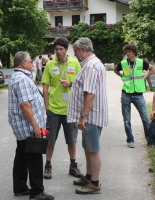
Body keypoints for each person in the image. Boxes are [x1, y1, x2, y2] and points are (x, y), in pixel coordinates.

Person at [8, 51, 54, 200]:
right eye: (30, 61)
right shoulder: (22, 79)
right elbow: (25, 105)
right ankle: (37, 193)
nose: (33, 64)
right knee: (34, 159)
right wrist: (35, 127)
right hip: (27, 127)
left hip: (22, 126)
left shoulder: (19, 77)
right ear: (23, 63)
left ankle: (20, 188)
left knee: (21, 157)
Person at [67, 37, 108, 194]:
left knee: (93, 149)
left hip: (90, 115)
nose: (75, 55)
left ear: (83, 50)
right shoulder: (92, 64)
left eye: (76, 51)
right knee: (87, 147)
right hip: (90, 115)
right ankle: (89, 177)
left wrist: (83, 116)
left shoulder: (91, 66)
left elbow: (90, 94)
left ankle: (95, 184)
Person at [41, 37, 82, 179]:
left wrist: (70, 83)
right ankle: (47, 165)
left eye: (61, 49)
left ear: (66, 50)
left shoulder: (75, 63)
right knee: (50, 140)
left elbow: (80, 84)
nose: (58, 52)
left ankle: (73, 166)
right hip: (54, 110)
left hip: (70, 110)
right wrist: (46, 106)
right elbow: (45, 87)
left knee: (72, 140)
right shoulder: (49, 65)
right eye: (56, 49)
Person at [114, 44, 155, 148]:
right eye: (126, 51)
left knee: (145, 118)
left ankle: (150, 141)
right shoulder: (123, 63)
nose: (127, 53)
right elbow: (115, 69)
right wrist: (122, 75)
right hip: (126, 94)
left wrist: (144, 77)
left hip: (138, 94)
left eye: (129, 51)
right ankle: (130, 140)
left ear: (134, 52)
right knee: (127, 119)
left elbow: (152, 69)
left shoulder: (141, 62)